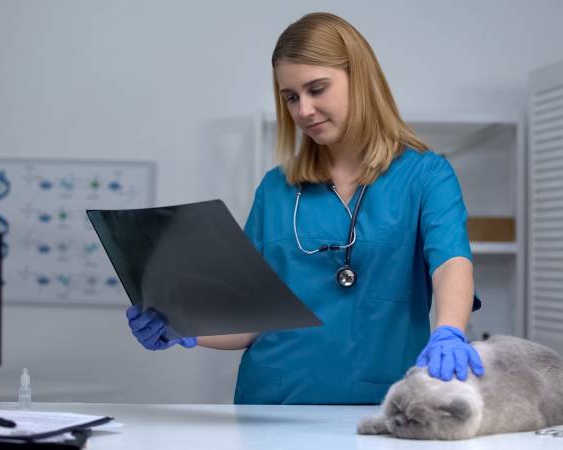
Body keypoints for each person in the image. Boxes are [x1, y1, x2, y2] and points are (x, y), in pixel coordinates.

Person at [125, 12, 484, 405]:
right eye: (291, 97)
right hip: (270, 406)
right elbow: (248, 321)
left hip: (380, 406)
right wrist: (180, 326)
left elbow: (450, 261)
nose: (304, 110)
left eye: (317, 89)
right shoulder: (276, 188)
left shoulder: (426, 175)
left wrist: (449, 330)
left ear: (360, 79)